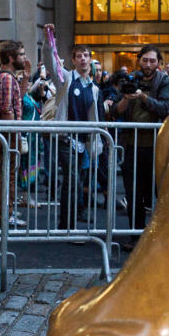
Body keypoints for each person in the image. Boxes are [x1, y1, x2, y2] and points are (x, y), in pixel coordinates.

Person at [110, 44, 169, 247]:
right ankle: (136, 235)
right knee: (133, 192)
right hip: (131, 145)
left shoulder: (164, 81)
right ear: (139, 60)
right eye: (145, 60)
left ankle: (158, 236)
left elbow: (166, 107)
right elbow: (115, 111)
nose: (148, 64)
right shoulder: (131, 79)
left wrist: (143, 97)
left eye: (152, 61)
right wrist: (126, 98)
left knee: (158, 192)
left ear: (159, 63)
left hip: (156, 145)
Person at [42, 25, 105, 230]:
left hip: (81, 142)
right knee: (73, 180)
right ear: (73, 60)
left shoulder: (93, 88)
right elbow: (51, 64)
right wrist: (48, 40)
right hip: (65, 139)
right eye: (79, 56)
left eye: (86, 55)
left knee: (75, 181)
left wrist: (95, 143)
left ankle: (69, 221)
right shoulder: (66, 80)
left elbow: (94, 116)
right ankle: (67, 224)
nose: (83, 59)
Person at [0, 40, 31, 226]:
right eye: (21, 54)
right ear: (10, 57)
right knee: (9, 176)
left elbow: (18, 100)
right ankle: (4, 216)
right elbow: (7, 108)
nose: (24, 57)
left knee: (10, 175)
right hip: (8, 134)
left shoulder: (10, 77)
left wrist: (26, 78)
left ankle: (7, 213)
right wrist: (14, 133)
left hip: (9, 133)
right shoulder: (6, 78)